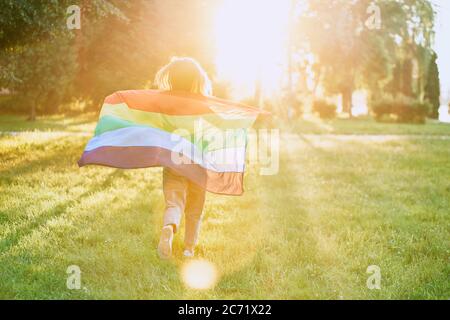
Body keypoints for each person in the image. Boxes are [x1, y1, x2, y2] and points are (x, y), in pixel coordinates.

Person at [154, 57, 212, 259]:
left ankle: (169, 227)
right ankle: (188, 250)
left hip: (174, 161)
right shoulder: (203, 104)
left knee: (174, 202)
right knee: (195, 209)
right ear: (197, 79)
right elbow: (211, 131)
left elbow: (158, 127)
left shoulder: (165, 103)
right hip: (198, 163)